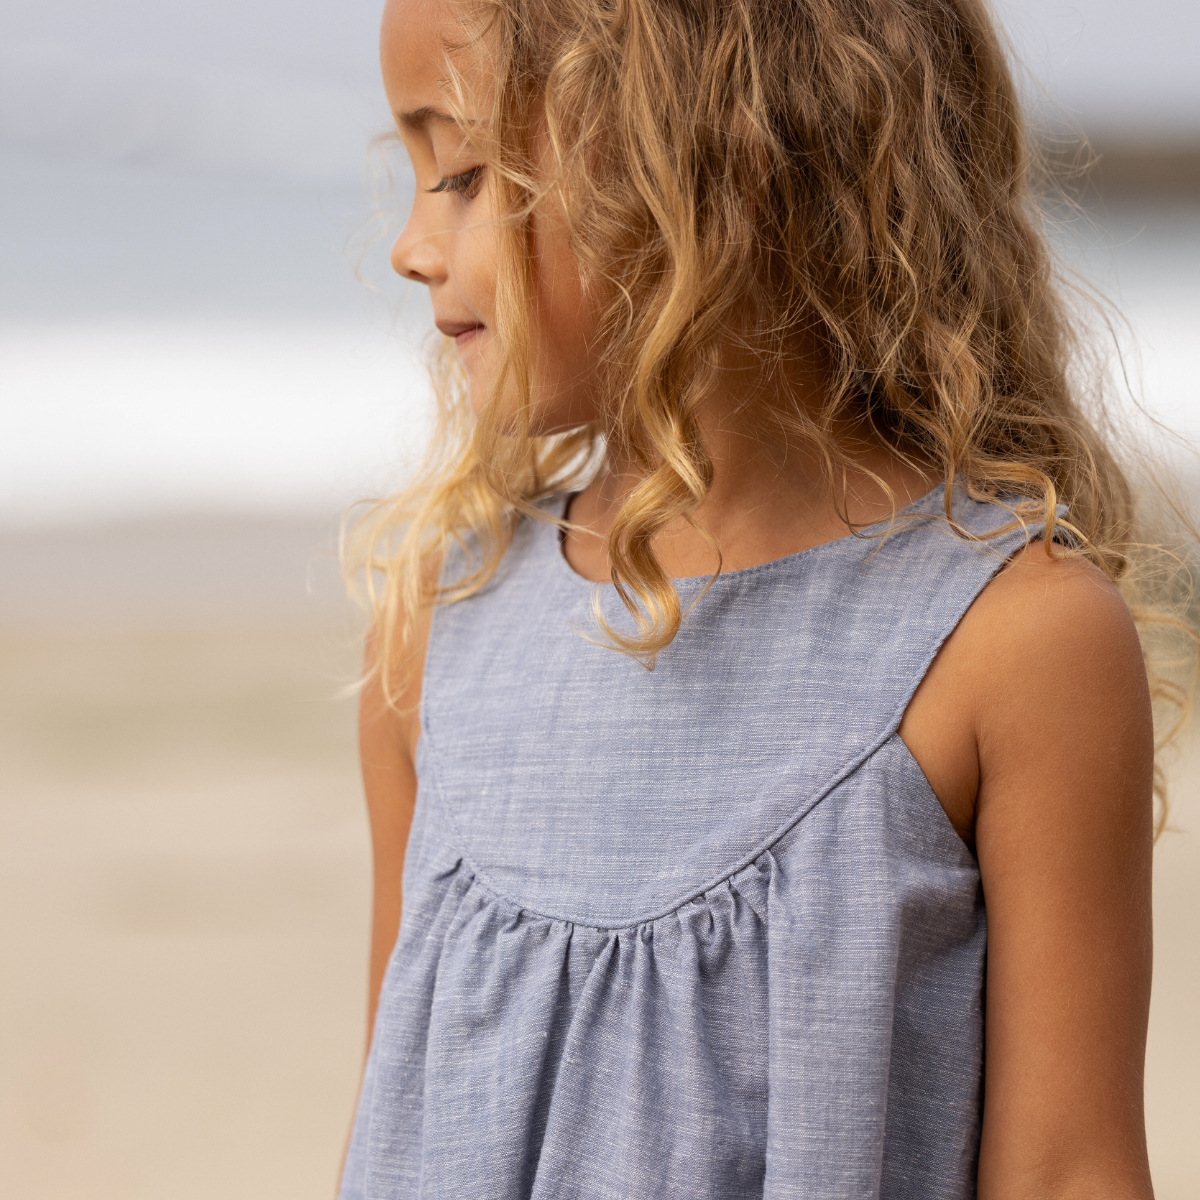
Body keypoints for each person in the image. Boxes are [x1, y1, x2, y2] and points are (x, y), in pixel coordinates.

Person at [339, 0, 1191, 1196]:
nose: (413, 246)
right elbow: (397, 1121)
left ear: (696, 166)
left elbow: (1066, 1170)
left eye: (468, 173)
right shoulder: (438, 629)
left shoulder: (1015, 642)